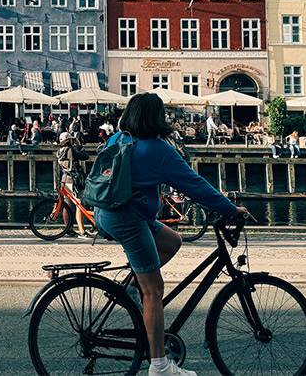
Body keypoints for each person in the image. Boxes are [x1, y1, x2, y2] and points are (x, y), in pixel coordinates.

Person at [94, 93, 248, 376]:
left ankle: (130, 287)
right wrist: (229, 209)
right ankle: (160, 366)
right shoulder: (156, 150)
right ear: (156, 118)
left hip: (106, 213)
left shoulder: (119, 139)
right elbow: (194, 184)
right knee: (154, 290)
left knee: (171, 241)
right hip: (129, 220)